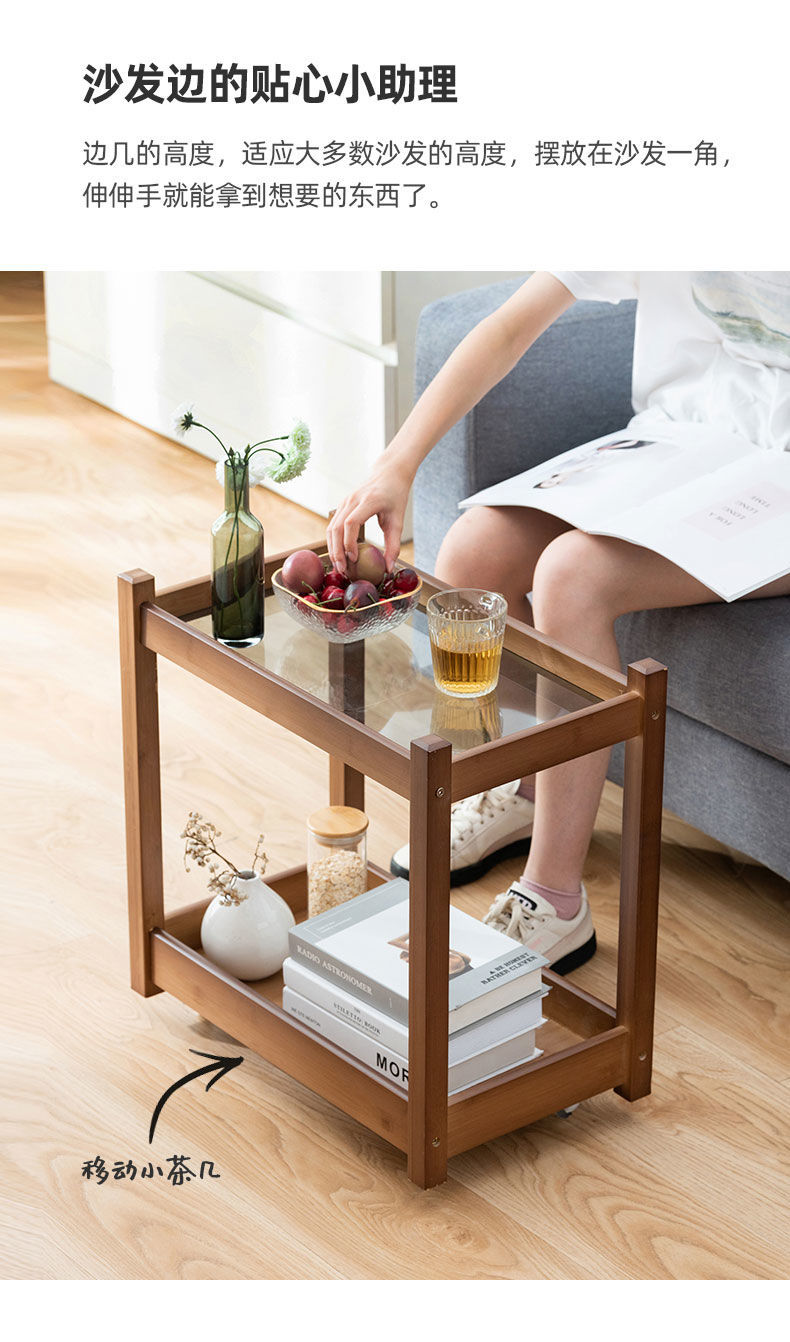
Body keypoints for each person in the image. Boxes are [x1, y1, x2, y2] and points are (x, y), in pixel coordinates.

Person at [326, 271, 790, 973]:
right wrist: (396, 465)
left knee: (570, 579)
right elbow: (510, 324)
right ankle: (524, 787)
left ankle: (555, 899)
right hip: (689, 437)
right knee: (472, 554)